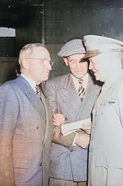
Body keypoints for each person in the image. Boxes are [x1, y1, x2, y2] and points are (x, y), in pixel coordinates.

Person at [81, 35, 123, 186]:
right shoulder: (108, 87)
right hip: (105, 174)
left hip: (119, 178)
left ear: (109, 60)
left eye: (92, 61)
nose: (90, 67)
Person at [43, 38, 101, 186]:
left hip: (93, 162)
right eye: (73, 61)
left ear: (89, 61)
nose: (78, 67)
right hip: (63, 165)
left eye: (82, 61)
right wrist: (75, 138)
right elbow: (46, 125)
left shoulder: (101, 85)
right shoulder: (53, 85)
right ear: (65, 61)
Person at [0, 43, 53, 186]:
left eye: (49, 61)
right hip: (21, 179)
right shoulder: (9, 90)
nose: (49, 67)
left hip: (40, 177)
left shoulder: (39, 92)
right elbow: (1, 146)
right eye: (43, 61)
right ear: (26, 63)